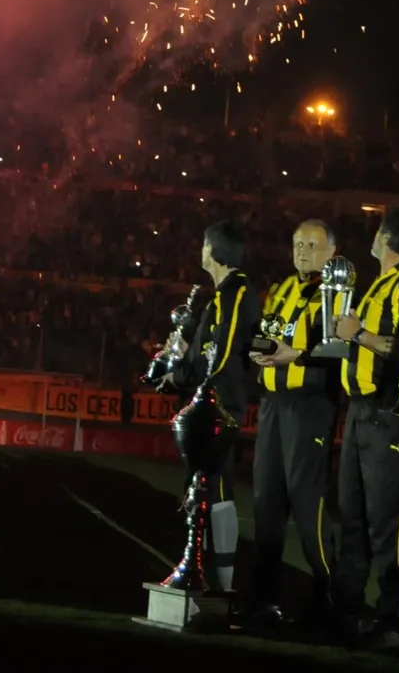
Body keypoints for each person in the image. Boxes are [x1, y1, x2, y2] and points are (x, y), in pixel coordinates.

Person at [331, 207, 399, 650]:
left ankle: (388, 619)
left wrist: (358, 335)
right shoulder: (385, 283)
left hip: (385, 415)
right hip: (360, 413)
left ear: (388, 237)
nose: (372, 236)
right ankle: (349, 610)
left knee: (382, 522)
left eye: (378, 230)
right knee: (351, 516)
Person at [245, 219, 340, 629]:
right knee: (266, 503)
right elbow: (268, 334)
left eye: (312, 245)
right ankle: (263, 600)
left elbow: (336, 350)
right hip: (272, 405)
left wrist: (295, 356)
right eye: (298, 243)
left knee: (307, 504)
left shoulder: (334, 293)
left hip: (309, 406)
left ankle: (332, 600)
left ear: (331, 252)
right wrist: (259, 351)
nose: (303, 251)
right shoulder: (282, 288)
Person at [164, 219, 260, 592]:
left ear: (214, 250)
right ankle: (207, 571)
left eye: (204, 244)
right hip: (211, 400)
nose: (200, 250)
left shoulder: (234, 293)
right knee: (208, 486)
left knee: (215, 487)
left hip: (219, 404)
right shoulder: (223, 294)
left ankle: (221, 580)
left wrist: (185, 374)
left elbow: (220, 355)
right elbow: (210, 350)